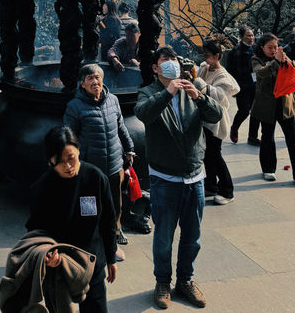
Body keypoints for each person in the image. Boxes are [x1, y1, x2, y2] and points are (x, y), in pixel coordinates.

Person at [135, 45, 223, 310]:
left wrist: (199, 95)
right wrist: (168, 90)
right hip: (165, 179)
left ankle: (185, 280)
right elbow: (144, 114)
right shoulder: (148, 92)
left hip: (195, 176)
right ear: (155, 67)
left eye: (173, 59)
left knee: (192, 236)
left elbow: (216, 115)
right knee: (163, 236)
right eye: (165, 60)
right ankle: (162, 282)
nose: (171, 63)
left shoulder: (192, 85)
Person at [25, 125, 117, 313]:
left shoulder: (96, 178)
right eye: (59, 161)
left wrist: (111, 257)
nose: (67, 166)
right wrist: (46, 255)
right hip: (59, 265)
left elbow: (108, 221)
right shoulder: (42, 188)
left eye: (71, 158)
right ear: (50, 160)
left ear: (78, 150)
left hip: (91, 263)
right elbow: (35, 231)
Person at [64, 63, 134, 256]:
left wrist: (129, 148)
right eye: (90, 78)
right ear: (82, 83)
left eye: (98, 77)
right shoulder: (74, 107)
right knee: (89, 204)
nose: (95, 81)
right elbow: (69, 137)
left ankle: (114, 235)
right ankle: (91, 238)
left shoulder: (113, 100)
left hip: (113, 163)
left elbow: (121, 127)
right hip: (90, 166)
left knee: (114, 203)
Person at [251, 32, 295, 186]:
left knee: (292, 139)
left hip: (285, 103)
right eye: (269, 47)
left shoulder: (283, 55)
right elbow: (261, 73)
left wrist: (287, 61)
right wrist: (275, 61)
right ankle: (268, 168)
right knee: (267, 136)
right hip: (267, 105)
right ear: (262, 47)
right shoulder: (256, 59)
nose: (273, 50)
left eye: (275, 47)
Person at [197, 40, 240, 205]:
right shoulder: (204, 67)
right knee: (207, 155)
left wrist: (199, 83)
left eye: (208, 55)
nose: (205, 58)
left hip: (216, 122)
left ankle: (227, 190)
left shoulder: (223, 76)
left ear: (217, 56)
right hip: (204, 119)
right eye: (204, 55)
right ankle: (211, 185)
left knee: (215, 155)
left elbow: (219, 97)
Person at [226, 25, 260, 145]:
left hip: (256, 85)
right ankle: (234, 129)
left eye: (252, 35)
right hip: (242, 86)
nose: (252, 38)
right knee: (244, 111)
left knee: (256, 112)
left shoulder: (257, 49)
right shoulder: (235, 51)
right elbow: (230, 71)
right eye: (248, 35)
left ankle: (252, 137)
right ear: (241, 37)